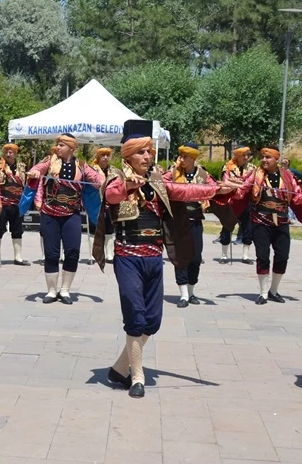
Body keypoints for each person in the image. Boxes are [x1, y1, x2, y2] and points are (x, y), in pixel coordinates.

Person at [95, 126, 235, 398]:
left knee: (152, 322)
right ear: (130, 156)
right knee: (135, 316)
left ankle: (119, 368)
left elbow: (183, 191)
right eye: (142, 152)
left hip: (153, 258)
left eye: (150, 151)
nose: (148, 156)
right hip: (127, 258)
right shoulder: (115, 176)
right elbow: (110, 194)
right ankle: (137, 377)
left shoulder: (158, 180)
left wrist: (215, 189)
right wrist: (128, 185)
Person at [26, 134, 105, 304]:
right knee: (51, 253)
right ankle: (51, 291)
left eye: (62, 145)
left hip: (72, 214)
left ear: (71, 148)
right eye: (57, 145)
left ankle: (65, 290)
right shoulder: (49, 161)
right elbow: (38, 169)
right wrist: (34, 172)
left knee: (72, 252)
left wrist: (102, 182)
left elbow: (98, 179)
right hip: (49, 214)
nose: (58, 148)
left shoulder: (82, 166)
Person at [245, 147, 302, 304]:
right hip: (260, 221)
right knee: (262, 256)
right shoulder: (256, 175)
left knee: (282, 256)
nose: (264, 160)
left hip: (281, 222)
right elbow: (242, 188)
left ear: (276, 159)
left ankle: (274, 290)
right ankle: (263, 292)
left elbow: (297, 195)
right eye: (263, 157)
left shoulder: (287, 176)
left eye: (268, 157)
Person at [163, 142, 215, 308]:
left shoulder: (204, 175)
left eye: (185, 156)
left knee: (195, 258)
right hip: (177, 222)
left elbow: (215, 188)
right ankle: (184, 294)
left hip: (195, 222)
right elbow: (161, 185)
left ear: (193, 158)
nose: (182, 159)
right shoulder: (172, 173)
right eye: (181, 156)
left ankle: (191, 292)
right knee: (180, 257)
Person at [0, 143, 29, 267]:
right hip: (2, 202)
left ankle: (18, 257)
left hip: (17, 204)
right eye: (6, 151)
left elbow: (26, 185)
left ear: (15, 153)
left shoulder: (22, 167)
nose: (8, 154)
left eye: (11, 152)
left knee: (17, 230)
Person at [218, 146, 256, 263]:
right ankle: (224, 255)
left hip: (246, 202)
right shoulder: (228, 167)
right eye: (243, 155)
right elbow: (225, 182)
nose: (246, 157)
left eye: (247, 155)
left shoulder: (253, 168)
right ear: (237, 156)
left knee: (247, 229)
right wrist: (238, 184)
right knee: (227, 228)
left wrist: (237, 183)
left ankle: (245, 256)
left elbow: (254, 182)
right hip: (232, 202)